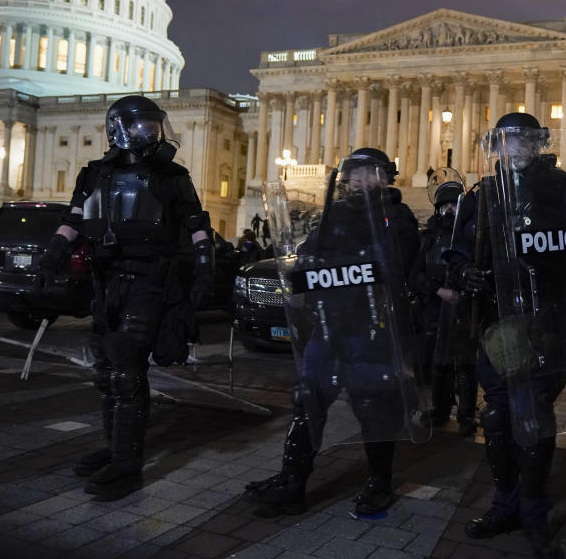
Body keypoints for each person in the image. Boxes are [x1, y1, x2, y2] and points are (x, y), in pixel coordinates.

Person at [445, 113, 566, 559]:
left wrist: (552, 259)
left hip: (546, 326)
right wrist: (467, 273)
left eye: (523, 140)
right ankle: (506, 503)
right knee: (497, 417)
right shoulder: (482, 195)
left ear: (538, 144)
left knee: (532, 418)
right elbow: (457, 252)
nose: (514, 149)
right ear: (495, 149)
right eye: (505, 142)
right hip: (496, 329)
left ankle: (535, 514)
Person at [36, 96, 214, 501]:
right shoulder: (95, 174)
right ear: (119, 129)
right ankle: (114, 448)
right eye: (142, 126)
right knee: (105, 371)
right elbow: (74, 220)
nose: (151, 133)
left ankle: (128, 464)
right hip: (107, 281)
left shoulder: (172, 176)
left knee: (127, 368)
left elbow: (198, 228)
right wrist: (50, 261)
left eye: (154, 125)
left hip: (149, 280)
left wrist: (203, 275)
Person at [245, 147, 421, 517]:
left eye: (369, 173)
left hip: (371, 328)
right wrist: (300, 271)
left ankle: (378, 482)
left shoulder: (396, 216)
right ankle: (292, 480)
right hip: (329, 326)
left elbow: (395, 266)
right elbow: (308, 257)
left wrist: (341, 271)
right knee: (307, 401)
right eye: (354, 174)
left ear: (385, 177)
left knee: (374, 405)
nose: (360, 181)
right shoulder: (334, 214)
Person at [409, 178, 477, 434]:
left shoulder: (472, 237)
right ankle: (439, 410)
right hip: (436, 309)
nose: (449, 210)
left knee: (466, 364)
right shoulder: (428, 238)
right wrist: (438, 290)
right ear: (437, 209)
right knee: (439, 363)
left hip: (464, 309)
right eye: (445, 205)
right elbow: (414, 275)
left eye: (455, 205)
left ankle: (467, 414)